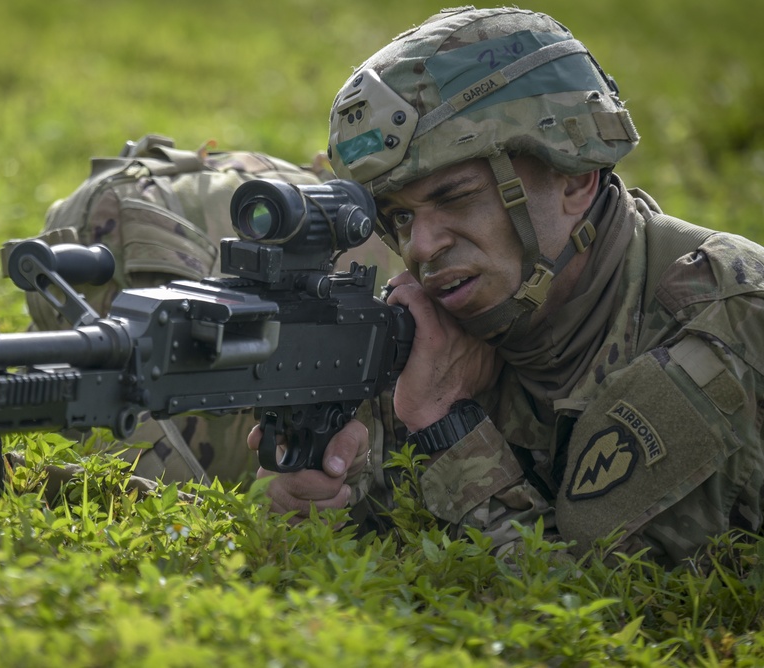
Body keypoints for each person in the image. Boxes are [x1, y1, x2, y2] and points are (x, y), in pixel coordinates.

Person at [250, 5, 764, 568]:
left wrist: (446, 425)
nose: (421, 247)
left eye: (455, 197)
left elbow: (584, 607)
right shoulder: (464, 321)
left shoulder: (719, 331)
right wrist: (337, 490)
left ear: (574, 177)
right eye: (398, 217)